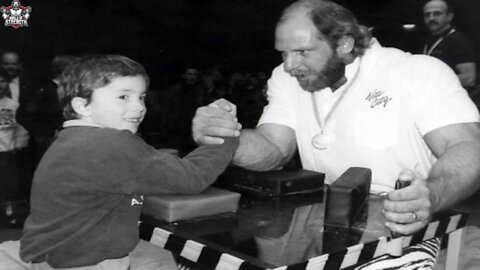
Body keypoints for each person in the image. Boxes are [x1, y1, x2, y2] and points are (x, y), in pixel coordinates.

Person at [191, 0, 480, 263]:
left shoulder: (419, 72)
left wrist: (431, 194)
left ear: (343, 44)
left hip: (402, 222)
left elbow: (469, 149)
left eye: (302, 52)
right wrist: (228, 138)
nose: (289, 65)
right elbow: (273, 149)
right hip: (315, 218)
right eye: (284, 53)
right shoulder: (287, 78)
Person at [20, 55, 238, 269]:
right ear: (83, 106)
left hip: (55, 254)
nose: (140, 107)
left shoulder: (73, 138)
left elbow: (131, 167)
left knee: (159, 257)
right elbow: (193, 177)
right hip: (88, 262)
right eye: (123, 97)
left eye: (141, 97)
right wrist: (226, 136)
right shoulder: (110, 143)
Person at [29, 55, 80, 162]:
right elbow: (35, 115)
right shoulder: (46, 91)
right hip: (50, 139)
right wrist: (51, 131)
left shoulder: (71, 90)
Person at [422, 0, 476, 90]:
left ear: (449, 17)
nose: (431, 18)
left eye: (437, 13)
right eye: (427, 15)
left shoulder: (457, 40)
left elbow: (469, 79)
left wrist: (430, 81)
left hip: (454, 100)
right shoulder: (429, 40)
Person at [0, 68, 28, 227]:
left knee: (9, 185)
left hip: (8, 153)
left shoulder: (13, 105)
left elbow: (20, 128)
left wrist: (18, 145)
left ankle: (10, 216)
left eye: (2, 81)